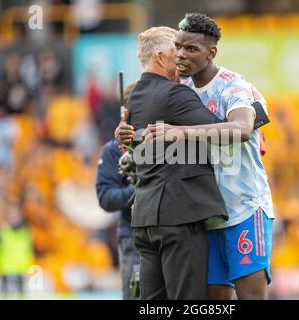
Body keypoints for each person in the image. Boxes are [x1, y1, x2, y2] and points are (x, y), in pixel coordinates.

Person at [116, 13, 274, 300]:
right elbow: (150, 120)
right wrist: (129, 133)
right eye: (177, 46)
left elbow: (242, 128)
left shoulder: (234, 86)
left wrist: (182, 133)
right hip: (207, 215)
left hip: (244, 207)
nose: (180, 54)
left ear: (211, 53)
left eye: (191, 49)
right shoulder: (181, 88)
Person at [125, 26, 229, 300]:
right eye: (177, 50)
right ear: (160, 57)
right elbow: (221, 132)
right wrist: (252, 109)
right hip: (179, 217)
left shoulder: (134, 97)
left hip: (145, 220)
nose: (182, 57)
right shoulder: (175, 94)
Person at [95, 83, 140, 300]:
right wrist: (137, 190)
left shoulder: (165, 142)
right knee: (135, 294)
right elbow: (105, 197)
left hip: (167, 234)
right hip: (133, 235)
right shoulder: (114, 149)